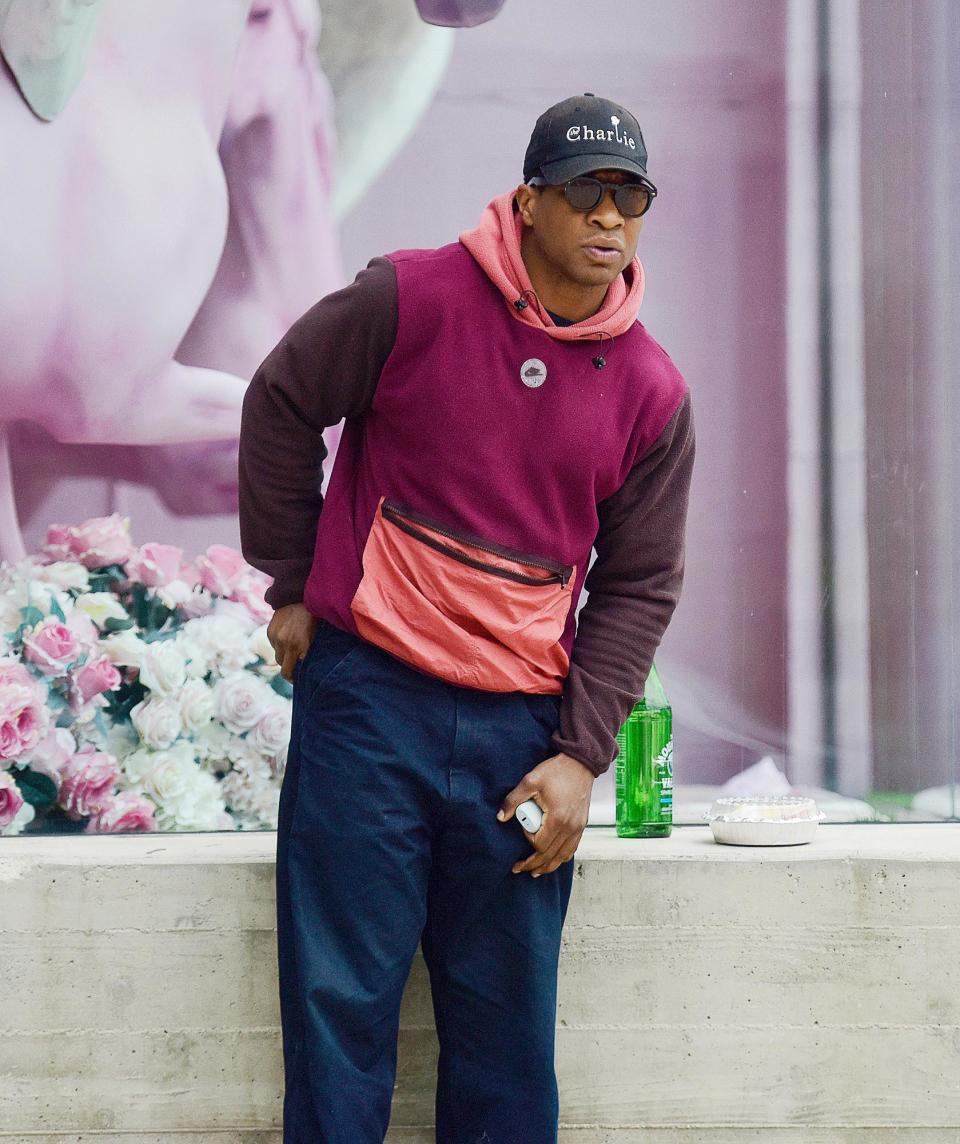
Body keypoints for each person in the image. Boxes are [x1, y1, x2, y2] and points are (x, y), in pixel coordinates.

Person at [238, 91, 695, 1144]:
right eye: (587, 191)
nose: (610, 217)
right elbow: (280, 401)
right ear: (531, 200)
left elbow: (638, 583)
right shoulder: (411, 297)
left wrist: (581, 755)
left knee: (505, 1043)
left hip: (520, 743)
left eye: (631, 196)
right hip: (369, 706)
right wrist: (294, 579)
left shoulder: (653, 390)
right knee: (337, 1011)